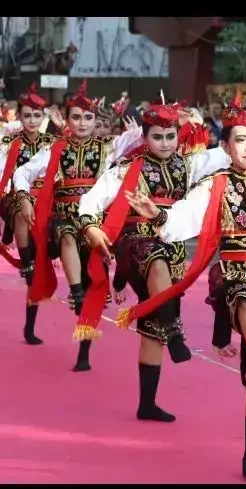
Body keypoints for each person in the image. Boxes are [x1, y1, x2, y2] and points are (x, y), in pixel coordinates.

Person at [116, 95, 246, 483]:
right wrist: (157, 214)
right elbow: (184, 217)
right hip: (234, 273)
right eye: (241, 140)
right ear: (225, 147)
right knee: (245, 301)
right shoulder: (215, 184)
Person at [76, 99, 227, 421]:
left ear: (178, 135)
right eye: (157, 136)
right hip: (134, 243)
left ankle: (147, 403)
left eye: (170, 136)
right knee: (155, 261)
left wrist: (218, 123)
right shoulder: (124, 171)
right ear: (145, 137)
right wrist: (91, 227)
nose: (165, 143)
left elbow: (231, 151)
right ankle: (176, 333)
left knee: (152, 325)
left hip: (171, 243)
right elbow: (90, 201)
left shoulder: (189, 164)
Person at [11, 79, 143, 371]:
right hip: (61, 219)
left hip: (93, 223)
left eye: (88, 117)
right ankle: (73, 291)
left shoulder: (107, 148)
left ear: (96, 121)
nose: (82, 123)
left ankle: (84, 352)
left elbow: (143, 135)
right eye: (76, 117)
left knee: (94, 284)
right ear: (66, 120)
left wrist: (174, 120)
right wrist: (23, 198)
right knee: (67, 235)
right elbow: (22, 172)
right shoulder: (55, 150)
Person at [0, 82, 54, 345]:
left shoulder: (53, 142)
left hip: (45, 202)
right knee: (22, 210)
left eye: (37, 116)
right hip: (13, 197)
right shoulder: (8, 142)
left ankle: (29, 328)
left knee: (42, 261)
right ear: (19, 116)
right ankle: (26, 261)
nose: (32, 120)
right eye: (27, 115)